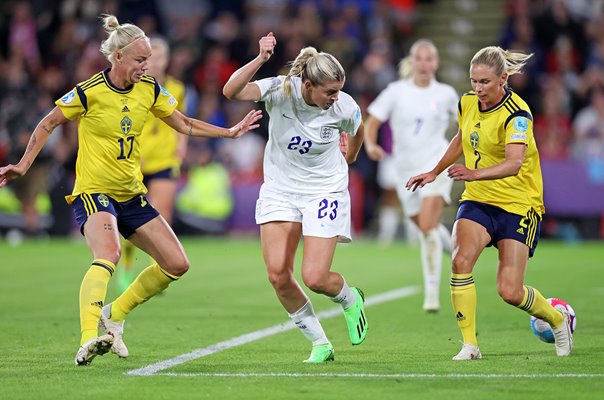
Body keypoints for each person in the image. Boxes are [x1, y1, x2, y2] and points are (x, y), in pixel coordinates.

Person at [0, 14, 261, 366]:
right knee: (107, 254)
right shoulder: (88, 91)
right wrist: (23, 164)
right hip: (94, 191)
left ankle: (115, 313)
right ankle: (88, 338)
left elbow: (182, 122)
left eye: (148, 59)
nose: (146, 65)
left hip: (131, 194)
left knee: (177, 263)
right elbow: (49, 122)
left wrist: (228, 132)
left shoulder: (150, 89)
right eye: (141, 59)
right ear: (118, 56)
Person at [406, 46, 573, 360]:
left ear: (503, 79)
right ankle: (470, 345)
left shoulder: (518, 114)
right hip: (479, 199)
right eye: (474, 81)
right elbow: (461, 138)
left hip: (518, 202)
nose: (478, 88)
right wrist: (434, 172)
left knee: (510, 291)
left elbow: (514, 163)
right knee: (459, 261)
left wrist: (472, 172)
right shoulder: (467, 102)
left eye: (485, 81)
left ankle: (557, 319)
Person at [223, 32, 367, 363]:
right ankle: (320, 343)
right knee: (277, 274)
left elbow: (358, 129)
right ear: (308, 85)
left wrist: (351, 156)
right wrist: (260, 58)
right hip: (281, 188)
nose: (336, 97)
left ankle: (349, 298)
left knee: (315, 277)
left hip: (324, 190)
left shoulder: (344, 106)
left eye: (339, 90)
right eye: (330, 91)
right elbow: (230, 91)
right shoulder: (280, 90)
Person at [364, 39, 458, 312]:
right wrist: (370, 144)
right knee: (424, 227)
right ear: (412, 61)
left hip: (436, 166)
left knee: (427, 225)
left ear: (436, 63)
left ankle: (431, 295)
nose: (425, 64)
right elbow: (373, 121)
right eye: (420, 58)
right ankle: (456, 250)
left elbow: (466, 124)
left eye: (430, 59)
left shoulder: (446, 94)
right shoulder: (396, 91)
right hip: (404, 170)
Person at [119, 36, 188, 292]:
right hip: (135, 160)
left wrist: (182, 145)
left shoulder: (177, 88)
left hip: (164, 158)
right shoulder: (134, 87)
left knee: (161, 214)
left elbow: (182, 120)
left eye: (160, 57)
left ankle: (158, 270)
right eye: (151, 58)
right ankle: (127, 260)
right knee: (132, 219)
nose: (155, 62)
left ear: (167, 60)